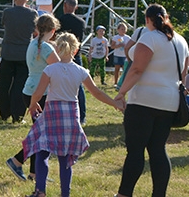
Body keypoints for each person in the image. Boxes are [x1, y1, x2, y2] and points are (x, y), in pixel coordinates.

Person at [22, 33, 123, 197]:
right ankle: (65, 194)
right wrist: (114, 103)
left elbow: (38, 93)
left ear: (57, 48)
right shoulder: (81, 71)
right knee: (65, 158)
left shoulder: (50, 70)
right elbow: (96, 92)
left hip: (52, 114)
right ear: (76, 50)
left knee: (42, 151)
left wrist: (33, 105)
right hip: (71, 115)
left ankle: (40, 191)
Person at [114, 4, 189, 197]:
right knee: (158, 149)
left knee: (136, 150)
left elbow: (137, 69)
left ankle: (124, 193)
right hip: (169, 102)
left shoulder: (149, 37)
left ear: (147, 20)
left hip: (144, 101)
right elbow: (183, 75)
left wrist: (121, 92)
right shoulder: (181, 41)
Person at [6, 14, 61, 182]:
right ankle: (16, 160)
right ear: (52, 30)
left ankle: (35, 173)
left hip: (30, 91)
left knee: (40, 134)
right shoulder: (46, 48)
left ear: (37, 28)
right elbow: (60, 68)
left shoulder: (34, 44)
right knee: (40, 135)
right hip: (40, 94)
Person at [0, 0, 38, 123]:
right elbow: (34, 31)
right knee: (20, 85)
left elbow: (4, 25)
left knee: (4, 85)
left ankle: (4, 114)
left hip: (8, 52)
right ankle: (18, 115)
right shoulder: (32, 14)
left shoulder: (7, 12)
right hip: (24, 54)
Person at [57, 0, 87, 125]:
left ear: (65, 5)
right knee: (78, 86)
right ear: (76, 7)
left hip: (60, 55)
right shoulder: (81, 22)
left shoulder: (58, 21)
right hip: (75, 55)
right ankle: (82, 116)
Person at [110, 23, 131, 88]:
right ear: (118, 30)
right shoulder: (115, 37)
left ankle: (123, 82)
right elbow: (112, 46)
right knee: (117, 69)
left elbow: (130, 46)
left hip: (125, 55)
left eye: (124, 29)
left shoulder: (128, 38)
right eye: (122, 29)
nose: (123, 30)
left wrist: (126, 46)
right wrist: (118, 45)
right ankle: (115, 82)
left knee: (125, 70)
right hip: (117, 55)